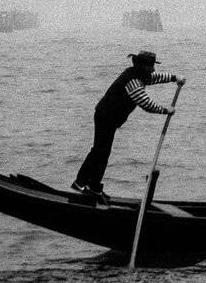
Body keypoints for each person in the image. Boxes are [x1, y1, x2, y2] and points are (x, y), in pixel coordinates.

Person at [72, 50, 183, 201]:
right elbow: (146, 103)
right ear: (142, 66)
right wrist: (165, 110)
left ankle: (93, 186)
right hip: (105, 116)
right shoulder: (133, 81)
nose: (153, 69)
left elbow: (154, 77)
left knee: (103, 152)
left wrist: (174, 78)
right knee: (100, 151)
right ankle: (81, 182)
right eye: (150, 66)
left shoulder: (140, 75)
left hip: (109, 118)